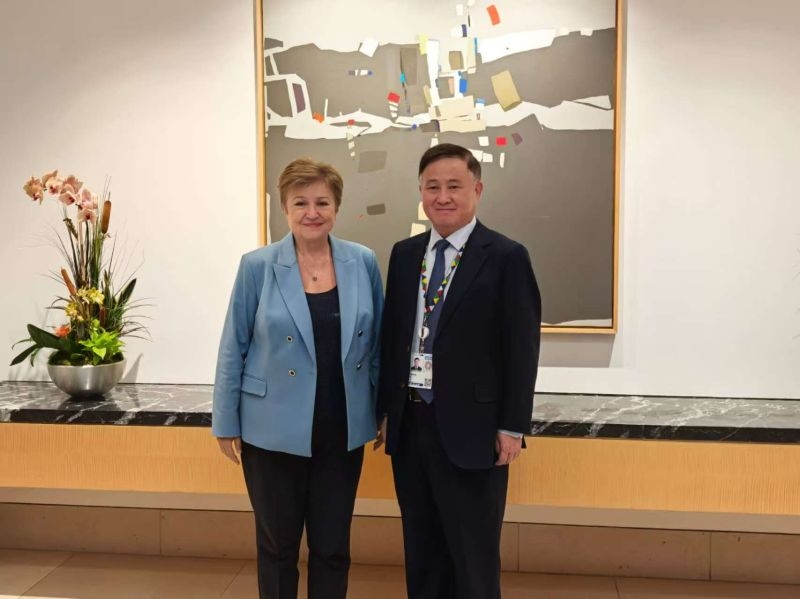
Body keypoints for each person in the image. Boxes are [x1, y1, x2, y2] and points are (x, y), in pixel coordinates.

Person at [375, 143, 541, 599]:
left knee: (473, 558)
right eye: (432, 187)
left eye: (454, 186)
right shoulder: (405, 254)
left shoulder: (506, 256)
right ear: (421, 193)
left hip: (475, 430)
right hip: (411, 426)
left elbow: (522, 349)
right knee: (422, 552)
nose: (443, 197)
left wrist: (512, 426)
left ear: (477, 190)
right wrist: (386, 411)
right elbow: (393, 337)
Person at [213, 157, 383, 599]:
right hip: (270, 431)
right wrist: (225, 422)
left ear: (336, 207)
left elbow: (378, 346)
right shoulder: (257, 265)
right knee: (277, 547)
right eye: (301, 202)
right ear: (284, 208)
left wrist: (382, 411)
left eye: (322, 202)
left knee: (333, 548)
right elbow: (234, 346)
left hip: (341, 430)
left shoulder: (362, 262)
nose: (312, 212)